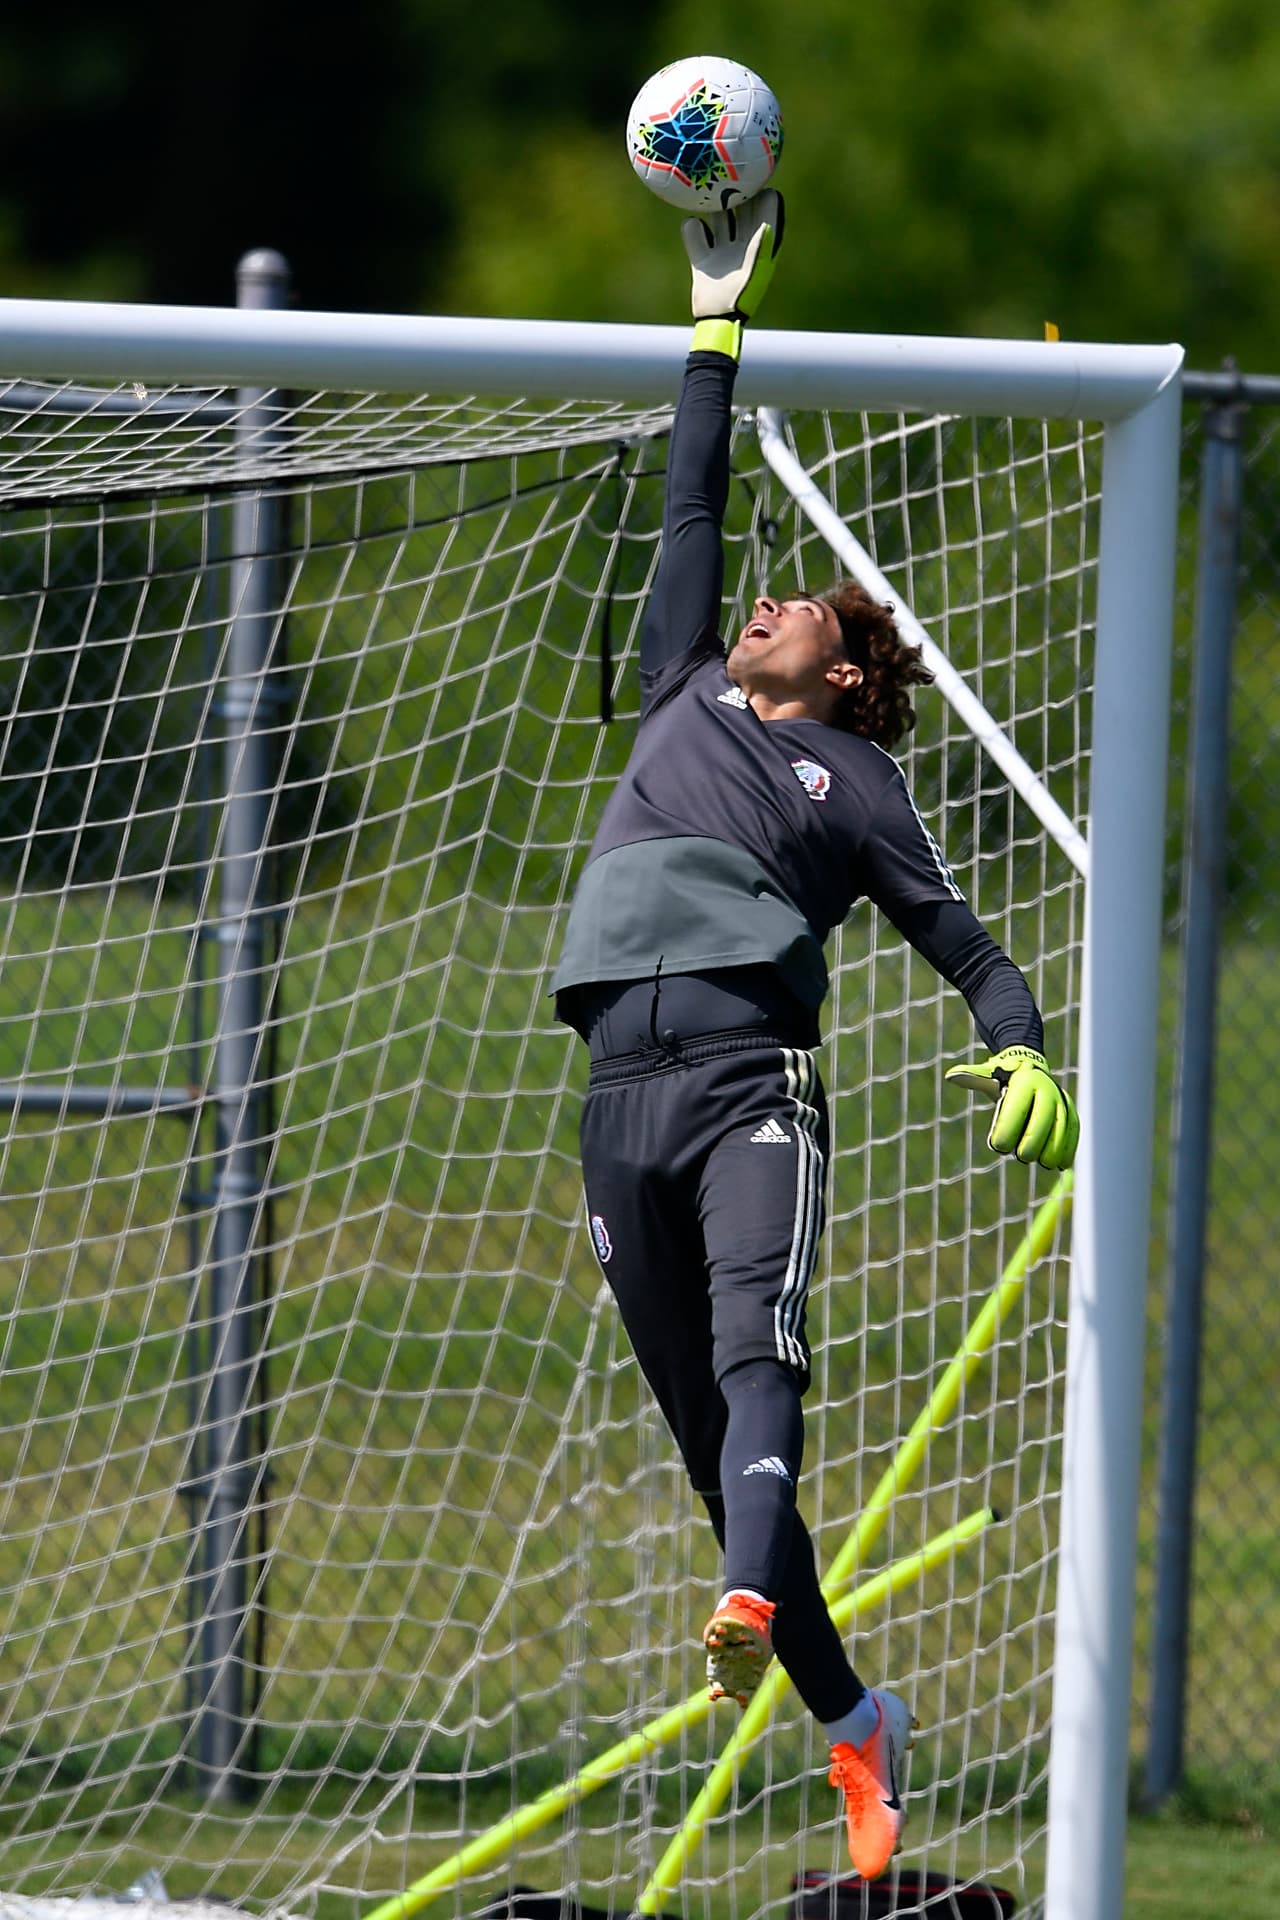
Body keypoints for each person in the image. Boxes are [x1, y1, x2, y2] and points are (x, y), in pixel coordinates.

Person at [550, 192, 1078, 1883]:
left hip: (743, 1088)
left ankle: (754, 1612)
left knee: (758, 1366)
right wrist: (716, 315)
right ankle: (851, 1719)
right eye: (770, 602)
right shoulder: (681, 681)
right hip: (607, 1101)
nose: (772, 604)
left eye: (810, 613)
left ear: (852, 679)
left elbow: (972, 949)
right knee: (716, 1453)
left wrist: (1022, 1045)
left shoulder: (857, 783)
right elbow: (694, 489)